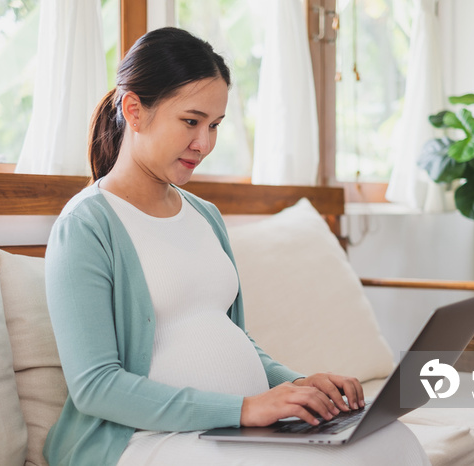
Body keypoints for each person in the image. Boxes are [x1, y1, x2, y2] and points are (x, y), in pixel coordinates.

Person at [43, 27, 429, 466]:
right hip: (145, 439)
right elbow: (96, 386)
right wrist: (245, 409)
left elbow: (231, 337)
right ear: (134, 110)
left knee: (390, 440)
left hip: (233, 429)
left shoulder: (204, 214)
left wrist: (300, 385)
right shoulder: (86, 225)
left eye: (214, 126)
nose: (204, 144)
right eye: (191, 121)